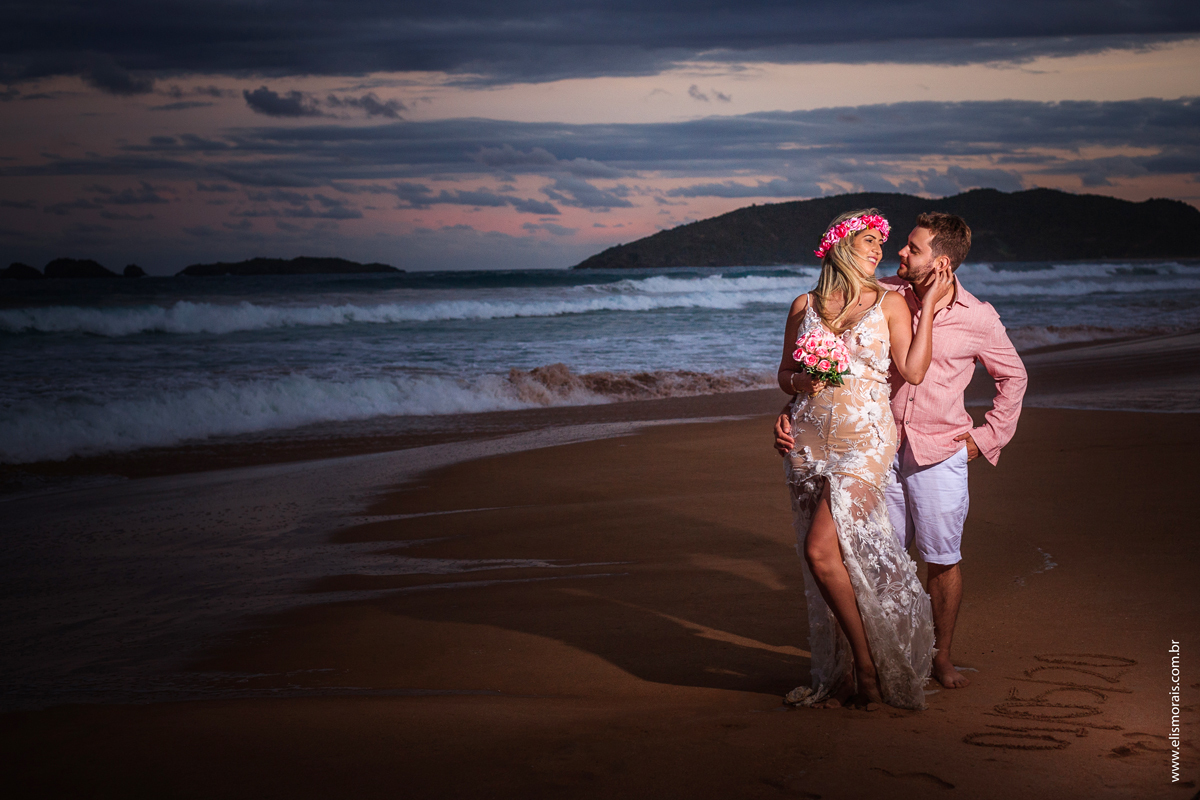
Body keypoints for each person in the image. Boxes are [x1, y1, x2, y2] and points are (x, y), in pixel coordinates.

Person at [776, 211, 1028, 691]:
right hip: (878, 445)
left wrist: (986, 437)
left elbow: (1013, 377)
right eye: (899, 246)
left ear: (943, 261)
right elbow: (818, 369)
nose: (899, 254)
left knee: (941, 556)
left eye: (912, 248)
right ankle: (888, 655)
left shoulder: (978, 316)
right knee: (869, 555)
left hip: (941, 447)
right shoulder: (882, 292)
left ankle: (941, 657)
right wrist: (793, 403)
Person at [778, 208, 953, 710]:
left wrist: (933, 307)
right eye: (869, 241)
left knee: (819, 549)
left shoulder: (891, 302)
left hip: (867, 439)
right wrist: (798, 389)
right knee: (833, 559)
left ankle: (868, 666)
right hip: (809, 439)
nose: (880, 250)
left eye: (883, 243)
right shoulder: (805, 304)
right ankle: (853, 668)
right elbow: (784, 375)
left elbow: (913, 371)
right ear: (840, 244)